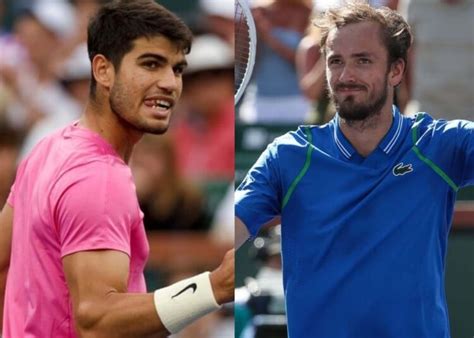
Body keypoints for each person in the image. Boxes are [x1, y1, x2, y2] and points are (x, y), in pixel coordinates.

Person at [235, 2, 473, 338]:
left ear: (396, 70)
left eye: (363, 60)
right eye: (336, 61)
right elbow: (231, 229)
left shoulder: (442, 145)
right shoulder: (287, 156)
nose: (346, 76)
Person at [0, 1, 233, 337]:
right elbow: (97, 320)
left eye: (177, 69)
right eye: (151, 64)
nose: (169, 83)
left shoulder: (48, 148)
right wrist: (214, 287)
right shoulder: (99, 177)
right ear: (103, 70)